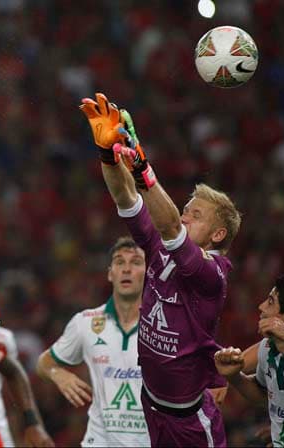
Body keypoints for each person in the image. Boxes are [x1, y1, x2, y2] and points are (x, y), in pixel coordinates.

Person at [79, 93, 242, 447]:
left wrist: (142, 167)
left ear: (217, 234)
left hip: (190, 419)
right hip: (151, 403)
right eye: (185, 208)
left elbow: (170, 228)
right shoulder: (156, 248)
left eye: (195, 215)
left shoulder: (212, 274)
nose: (185, 215)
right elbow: (125, 198)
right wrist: (109, 156)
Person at [37, 237, 150, 447]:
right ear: (110, 273)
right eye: (119, 262)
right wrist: (58, 374)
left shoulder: (164, 326)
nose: (126, 269)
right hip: (99, 441)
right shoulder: (86, 322)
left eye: (135, 262)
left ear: (148, 273)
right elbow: (44, 363)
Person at [215, 273, 284, 448]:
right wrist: (234, 377)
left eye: (270, 302)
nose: (261, 306)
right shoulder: (267, 349)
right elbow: (264, 396)